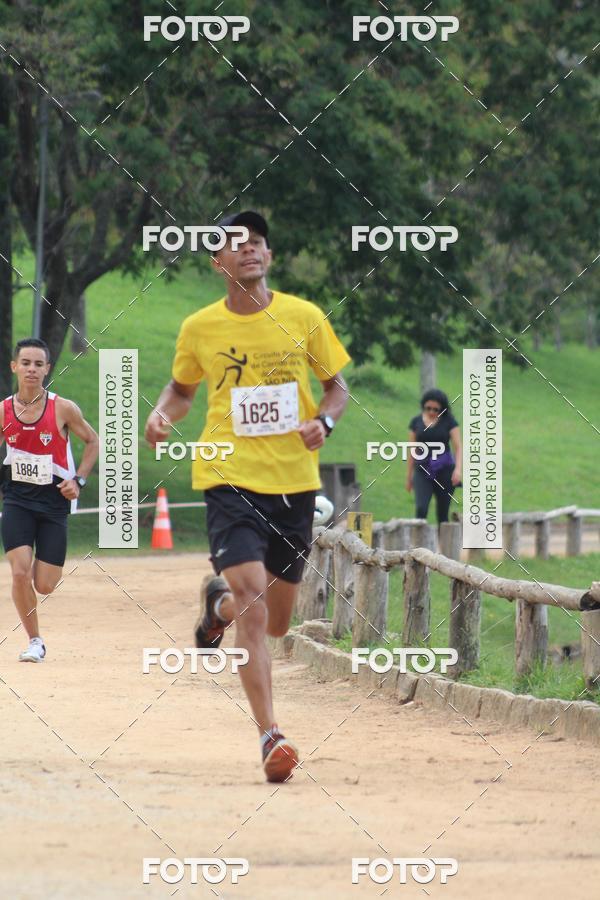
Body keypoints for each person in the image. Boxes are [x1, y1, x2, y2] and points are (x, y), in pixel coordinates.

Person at [144, 211, 350, 782]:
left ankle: (219, 606)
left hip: (293, 482)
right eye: (237, 245)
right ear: (218, 262)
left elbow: (336, 388)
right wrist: (163, 413)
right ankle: (270, 734)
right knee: (256, 602)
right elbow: (182, 390)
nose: (250, 251)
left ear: (269, 256)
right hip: (226, 475)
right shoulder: (200, 327)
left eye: (258, 243)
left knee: (276, 621)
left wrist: (325, 426)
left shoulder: (304, 317)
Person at [0, 338, 99, 662]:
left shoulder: (63, 408)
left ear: (47, 369)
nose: (31, 369)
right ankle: (35, 641)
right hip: (17, 500)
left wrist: (79, 480)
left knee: (44, 585)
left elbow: (93, 441)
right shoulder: (4, 410)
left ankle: (36, 626)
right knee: (18, 572)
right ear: (15, 366)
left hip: (54, 504)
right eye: (25, 363)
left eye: (38, 364)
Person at [406, 388, 462, 525]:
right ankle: (419, 545)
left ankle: (444, 546)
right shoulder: (416, 422)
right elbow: (412, 450)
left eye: (435, 409)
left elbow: (458, 447)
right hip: (422, 469)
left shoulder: (449, 422)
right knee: (421, 509)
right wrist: (409, 477)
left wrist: (458, 470)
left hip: (444, 470)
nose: (431, 412)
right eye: (428, 408)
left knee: (442, 514)